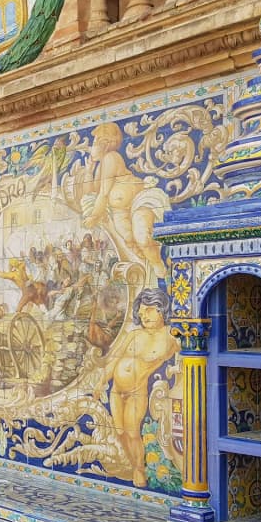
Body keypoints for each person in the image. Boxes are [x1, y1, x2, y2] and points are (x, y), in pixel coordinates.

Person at [95, 288, 179, 487]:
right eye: (141, 313)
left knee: (133, 432)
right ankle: (134, 465)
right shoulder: (134, 335)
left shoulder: (170, 337)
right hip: (116, 390)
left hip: (137, 391)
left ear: (161, 309)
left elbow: (188, 351)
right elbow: (115, 359)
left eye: (148, 311)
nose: (144, 316)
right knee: (120, 431)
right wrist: (101, 382)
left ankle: (139, 469)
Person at [81, 123, 168, 280]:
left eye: (94, 142)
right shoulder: (100, 167)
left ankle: (160, 268)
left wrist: (94, 216)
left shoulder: (111, 157)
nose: (91, 148)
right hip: (119, 212)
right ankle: (153, 275)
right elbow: (90, 194)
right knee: (131, 242)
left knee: (142, 238)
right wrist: (89, 170)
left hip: (138, 202)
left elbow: (104, 193)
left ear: (105, 143)